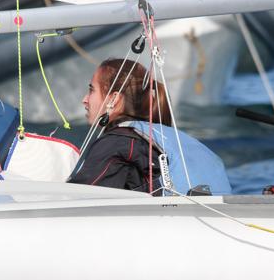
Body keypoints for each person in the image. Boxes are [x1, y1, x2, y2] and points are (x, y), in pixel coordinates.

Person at [68, 58, 231, 195]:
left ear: (113, 99)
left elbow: (81, 198)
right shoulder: (175, 137)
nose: (85, 99)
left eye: (91, 90)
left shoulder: (117, 142)